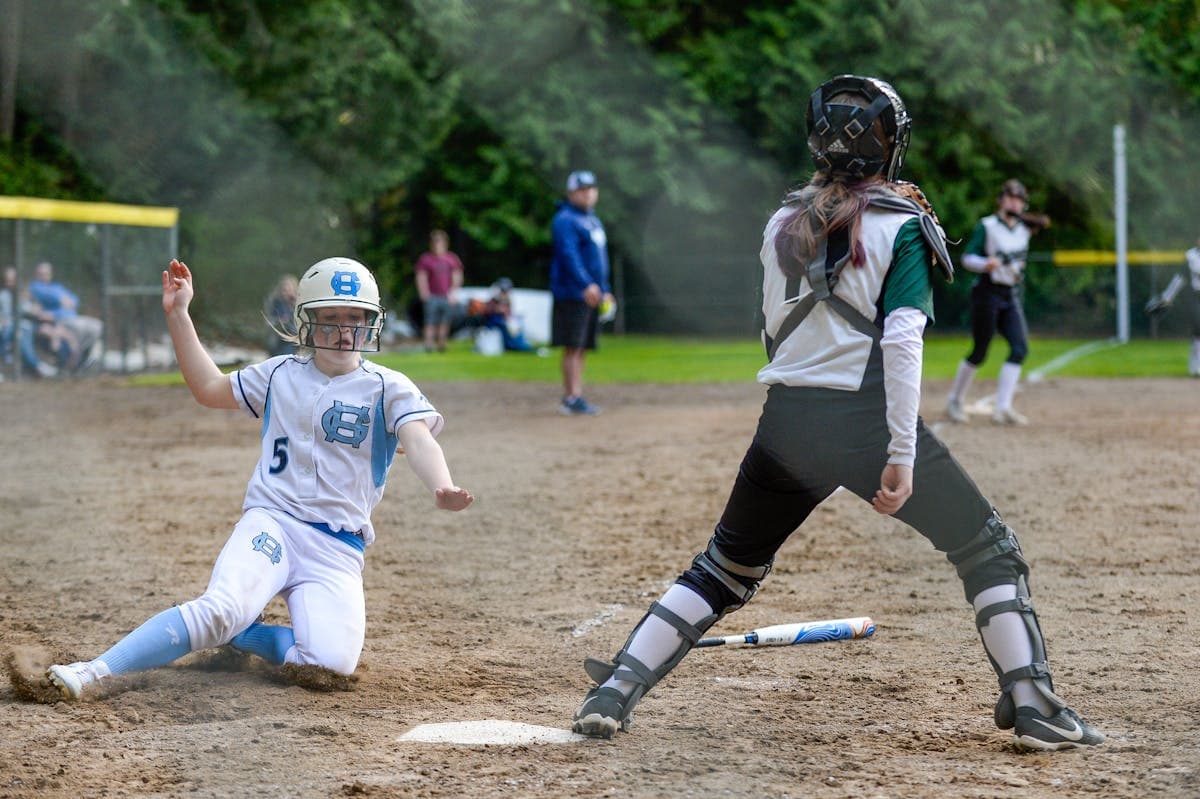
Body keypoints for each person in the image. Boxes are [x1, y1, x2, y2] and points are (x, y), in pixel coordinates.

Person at [571, 75, 1104, 752]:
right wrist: (900, 454)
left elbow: (769, 327)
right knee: (987, 549)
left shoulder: (780, 222)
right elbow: (904, 342)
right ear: (890, 147)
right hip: (865, 420)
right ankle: (1036, 707)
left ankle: (615, 688)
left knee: (723, 568)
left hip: (786, 419)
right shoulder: (903, 226)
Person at [46, 256, 473, 699]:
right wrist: (178, 315)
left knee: (329, 666)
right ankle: (92, 671)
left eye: (355, 319)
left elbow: (419, 440)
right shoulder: (278, 374)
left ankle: (243, 636)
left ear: (371, 324)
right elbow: (208, 389)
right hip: (273, 522)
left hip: (337, 547)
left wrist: (440, 485)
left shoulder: (389, 386)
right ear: (305, 321)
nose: (345, 331)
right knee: (220, 609)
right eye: (330, 319)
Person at [944, 180, 1049, 425]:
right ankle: (955, 400)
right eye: (1011, 198)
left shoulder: (1023, 229)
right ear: (1001, 200)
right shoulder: (987, 226)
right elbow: (968, 257)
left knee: (1020, 348)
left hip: (1009, 293)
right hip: (987, 292)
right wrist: (984, 263)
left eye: (1019, 199)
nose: (1015, 203)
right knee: (980, 351)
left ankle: (1002, 408)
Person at [550, 170, 613, 415]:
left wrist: (604, 290)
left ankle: (577, 394)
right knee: (572, 345)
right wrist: (585, 284)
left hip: (592, 293)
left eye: (591, 189)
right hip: (572, 293)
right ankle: (571, 397)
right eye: (583, 189)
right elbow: (569, 256)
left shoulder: (592, 220)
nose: (588, 193)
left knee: (582, 346)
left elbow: (599, 261)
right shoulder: (565, 219)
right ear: (572, 192)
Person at [28, 260, 104, 372]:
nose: (44, 276)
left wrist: (65, 301)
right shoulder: (35, 286)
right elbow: (47, 297)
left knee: (98, 326)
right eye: (41, 274)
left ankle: (87, 359)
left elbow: (75, 300)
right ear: (36, 274)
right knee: (81, 329)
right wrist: (60, 300)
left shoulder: (57, 287)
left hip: (73, 318)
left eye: (47, 273)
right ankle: (78, 359)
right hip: (60, 321)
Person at [1144, 237, 1200, 376]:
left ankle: (1194, 363)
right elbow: (1180, 278)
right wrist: (1167, 297)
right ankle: (1197, 365)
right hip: (1195, 295)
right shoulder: (1191, 256)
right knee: (1199, 325)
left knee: (1198, 332)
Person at [0, 266, 62, 379]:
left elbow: (32, 310)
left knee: (22, 331)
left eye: (13, 280)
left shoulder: (23, 295)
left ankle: (36, 365)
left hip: (23, 327)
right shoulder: (3, 296)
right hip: (6, 327)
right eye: (8, 280)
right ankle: (37, 365)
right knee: (10, 330)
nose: (11, 283)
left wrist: (36, 310)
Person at [414, 230, 464, 353]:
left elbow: (457, 276)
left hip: (447, 296)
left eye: (440, 242)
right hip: (432, 296)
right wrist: (424, 292)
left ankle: (442, 344)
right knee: (430, 321)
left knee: (445, 321)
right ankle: (428, 345)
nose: (437, 245)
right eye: (435, 242)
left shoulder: (451, 259)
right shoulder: (426, 259)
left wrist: (454, 292)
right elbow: (421, 276)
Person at [263, 274, 299, 356]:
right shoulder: (275, 303)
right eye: (284, 290)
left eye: (289, 290)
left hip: (291, 339)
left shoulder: (298, 303)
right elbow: (268, 320)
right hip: (276, 338)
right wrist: (279, 321)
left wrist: (294, 304)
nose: (286, 293)